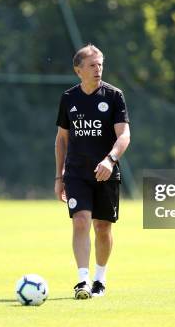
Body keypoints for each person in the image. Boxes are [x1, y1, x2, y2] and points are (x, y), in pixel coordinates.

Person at [54, 44, 131, 299]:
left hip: (106, 173)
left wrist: (110, 160)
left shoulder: (114, 96)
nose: (98, 69)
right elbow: (61, 139)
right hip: (76, 173)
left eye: (100, 65)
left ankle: (100, 278)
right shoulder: (69, 98)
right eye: (92, 65)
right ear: (79, 70)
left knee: (102, 227)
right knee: (80, 221)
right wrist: (59, 176)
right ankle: (82, 281)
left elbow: (124, 135)